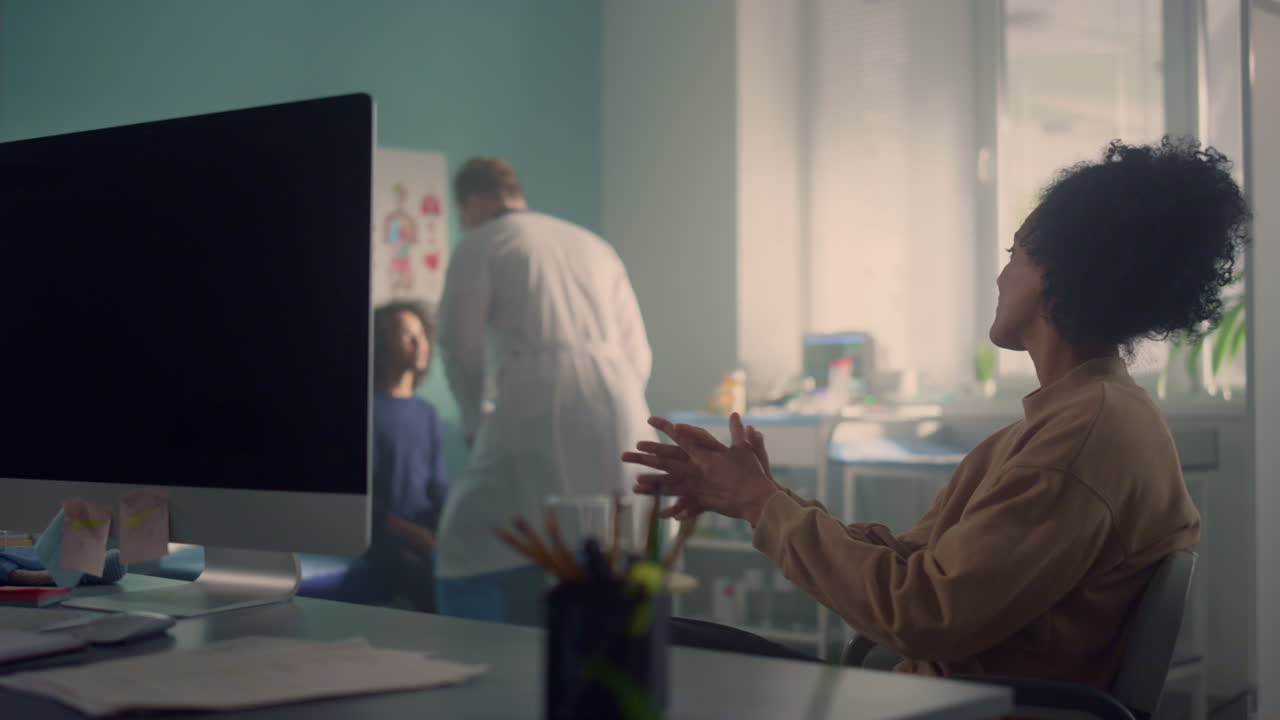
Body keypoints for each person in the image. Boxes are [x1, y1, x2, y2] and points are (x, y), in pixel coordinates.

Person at [624, 138, 1249, 688]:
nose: (1002, 277)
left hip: (968, 707)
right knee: (671, 641)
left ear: (1062, 272)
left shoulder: (1085, 436)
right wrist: (762, 494)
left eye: (1015, 253)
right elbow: (913, 567)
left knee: (654, 649)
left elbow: (923, 614)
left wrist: (763, 506)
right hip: (932, 692)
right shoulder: (1071, 420)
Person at [434, 157, 654, 624]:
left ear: (472, 201)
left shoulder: (481, 243)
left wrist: (475, 420)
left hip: (535, 401)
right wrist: (619, 403)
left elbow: (459, 347)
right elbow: (639, 353)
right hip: (618, 404)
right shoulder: (592, 244)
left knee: (463, 547)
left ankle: (475, 661)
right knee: (603, 556)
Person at [367, 300, 448, 612]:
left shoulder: (427, 414)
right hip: (385, 538)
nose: (419, 344)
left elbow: (438, 487)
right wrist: (415, 535)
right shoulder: (368, 412)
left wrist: (449, 529)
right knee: (426, 578)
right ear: (382, 344)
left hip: (424, 533)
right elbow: (369, 504)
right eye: (406, 336)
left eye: (422, 335)